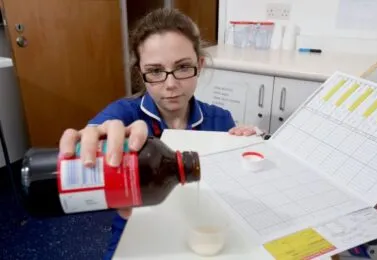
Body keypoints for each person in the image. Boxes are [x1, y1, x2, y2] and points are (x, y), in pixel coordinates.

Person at [59, 7, 261, 260]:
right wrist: (87, 146)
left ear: (199, 64)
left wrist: (248, 152)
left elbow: (232, 190)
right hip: (137, 233)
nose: (171, 84)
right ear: (140, 74)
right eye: (155, 71)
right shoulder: (123, 115)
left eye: (183, 67)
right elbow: (96, 135)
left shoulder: (220, 120)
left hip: (199, 233)